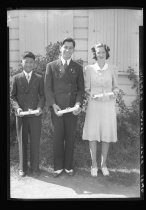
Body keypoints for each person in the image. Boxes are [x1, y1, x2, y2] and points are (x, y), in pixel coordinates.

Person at [44, 37, 84, 177]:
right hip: (57, 109)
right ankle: (58, 167)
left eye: (70, 48)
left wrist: (78, 104)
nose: (67, 50)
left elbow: (81, 89)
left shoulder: (78, 67)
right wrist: (53, 105)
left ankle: (68, 167)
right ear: (61, 48)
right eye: (65, 47)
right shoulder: (51, 66)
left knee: (70, 137)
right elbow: (48, 88)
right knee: (58, 137)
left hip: (72, 109)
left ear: (73, 50)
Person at [82, 43, 119, 177]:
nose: (100, 54)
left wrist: (115, 92)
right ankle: (94, 164)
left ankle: (103, 165)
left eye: (103, 52)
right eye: (98, 52)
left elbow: (116, 87)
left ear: (106, 53)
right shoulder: (89, 69)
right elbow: (86, 89)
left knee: (106, 135)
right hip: (94, 105)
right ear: (95, 54)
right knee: (93, 134)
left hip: (108, 106)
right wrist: (90, 94)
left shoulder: (113, 68)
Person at [10, 51, 45, 177]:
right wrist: (17, 108)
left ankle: (35, 167)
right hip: (22, 116)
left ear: (34, 64)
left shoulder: (40, 78)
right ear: (22, 63)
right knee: (22, 141)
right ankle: (22, 168)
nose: (29, 64)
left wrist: (40, 107)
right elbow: (12, 96)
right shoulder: (16, 78)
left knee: (35, 141)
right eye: (26, 61)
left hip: (35, 116)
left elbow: (42, 96)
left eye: (31, 62)